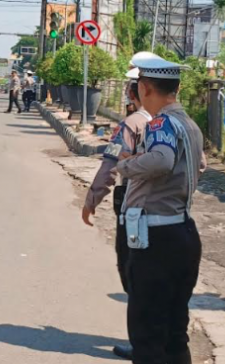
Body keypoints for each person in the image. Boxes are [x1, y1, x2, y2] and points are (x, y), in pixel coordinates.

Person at [115, 52, 205, 364]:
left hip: (157, 240)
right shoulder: (189, 125)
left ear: (145, 88)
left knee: (148, 335)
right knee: (174, 332)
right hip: (182, 230)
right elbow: (200, 165)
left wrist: (127, 164)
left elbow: (162, 160)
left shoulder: (161, 123)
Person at [81, 65, 151, 361]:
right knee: (151, 271)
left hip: (132, 202)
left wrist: (92, 199)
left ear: (136, 92)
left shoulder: (132, 123)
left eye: (126, 90)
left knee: (132, 271)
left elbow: (111, 164)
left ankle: (141, 342)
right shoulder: (171, 121)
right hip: (164, 207)